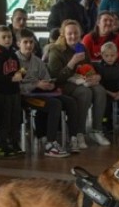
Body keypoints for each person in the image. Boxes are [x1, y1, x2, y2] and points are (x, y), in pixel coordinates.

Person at [45, 19, 110, 148]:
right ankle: (78, 133)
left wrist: (95, 77)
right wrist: (72, 63)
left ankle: (96, 130)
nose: (73, 36)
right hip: (62, 85)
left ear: (80, 34)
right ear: (63, 34)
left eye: (76, 33)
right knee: (85, 92)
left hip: (81, 80)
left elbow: (89, 68)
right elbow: (55, 78)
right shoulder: (56, 50)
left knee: (100, 90)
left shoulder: (82, 48)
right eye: (70, 33)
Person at [17, 28, 78, 157]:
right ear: (19, 43)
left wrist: (49, 84)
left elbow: (46, 77)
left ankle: (73, 138)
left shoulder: (37, 61)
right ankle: (50, 143)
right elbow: (16, 85)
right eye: (25, 42)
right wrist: (36, 84)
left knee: (70, 101)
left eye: (31, 42)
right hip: (26, 96)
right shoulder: (15, 60)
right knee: (55, 104)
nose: (29, 45)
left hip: (42, 93)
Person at [0, 25, 24, 157]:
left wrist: (20, 74)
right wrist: (11, 79)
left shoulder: (13, 53)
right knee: (4, 119)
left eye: (9, 36)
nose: (7, 39)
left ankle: (15, 142)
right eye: (4, 37)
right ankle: (2, 145)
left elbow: (18, 69)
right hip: (2, 92)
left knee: (15, 118)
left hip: (14, 91)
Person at [95, 42, 119, 133]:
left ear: (117, 55)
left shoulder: (118, 67)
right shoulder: (99, 67)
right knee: (106, 105)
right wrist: (112, 94)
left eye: (112, 55)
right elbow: (99, 84)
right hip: (105, 92)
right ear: (102, 55)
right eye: (107, 56)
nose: (110, 58)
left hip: (118, 91)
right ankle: (106, 124)